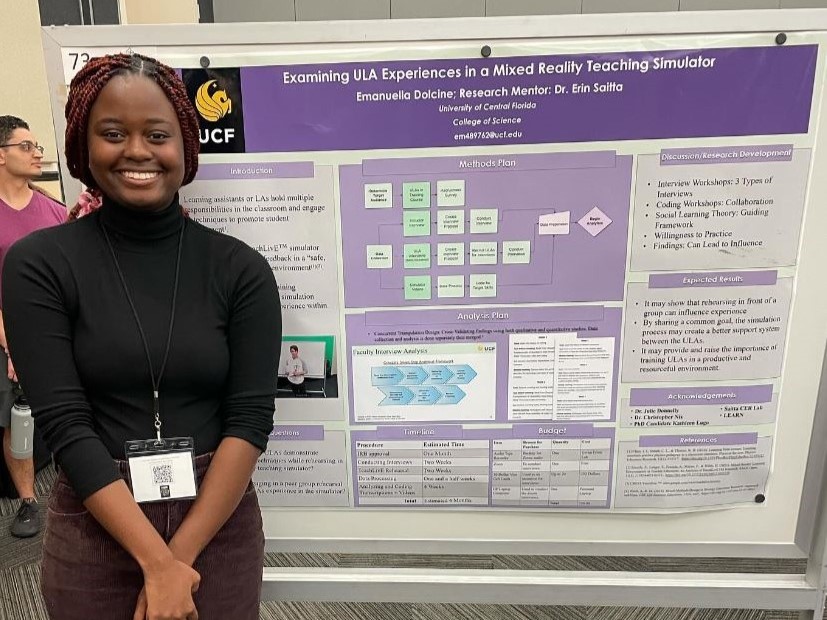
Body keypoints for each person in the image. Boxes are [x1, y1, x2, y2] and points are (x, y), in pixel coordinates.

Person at [2, 54, 281, 620]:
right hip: (95, 514)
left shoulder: (239, 268)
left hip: (216, 523)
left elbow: (249, 419)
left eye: (158, 134)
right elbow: (65, 421)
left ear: (185, 147)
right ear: (83, 144)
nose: (136, 150)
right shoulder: (41, 264)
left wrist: (177, 561)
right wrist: (157, 565)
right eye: (112, 133)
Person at [0, 115, 65, 538]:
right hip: (7, 335)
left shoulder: (56, 211)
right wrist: (11, 343)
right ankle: (27, 500)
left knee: (70, 412)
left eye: (38, 145)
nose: (37, 152)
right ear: (1, 155)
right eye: (26, 146)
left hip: (58, 333)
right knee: (16, 420)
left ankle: (80, 489)